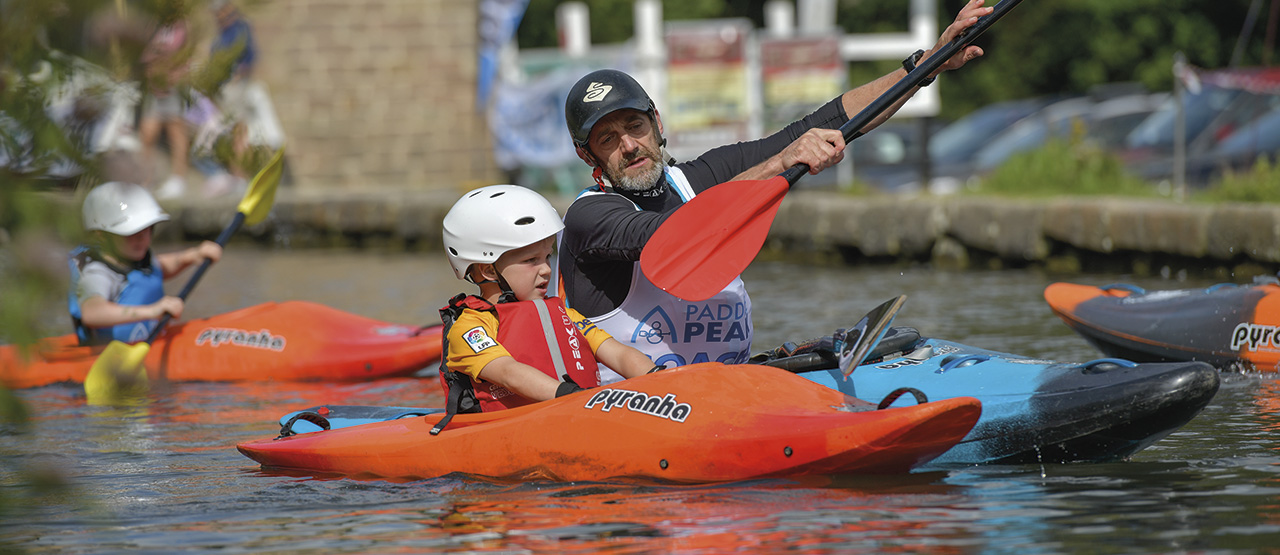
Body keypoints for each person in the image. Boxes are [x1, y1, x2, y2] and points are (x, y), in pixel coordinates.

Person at [557, 0, 994, 382]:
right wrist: (780, 164)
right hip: (640, 410)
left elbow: (821, 123)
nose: (629, 145)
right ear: (586, 155)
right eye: (608, 139)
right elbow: (673, 236)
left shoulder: (704, 176)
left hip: (736, 391)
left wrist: (926, 65)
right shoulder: (589, 219)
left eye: (635, 126)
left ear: (657, 124)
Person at [436, 185, 657, 425]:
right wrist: (573, 397)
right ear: (489, 270)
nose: (546, 270)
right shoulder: (470, 329)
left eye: (547, 257)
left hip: (578, 414)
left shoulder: (566, 315)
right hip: (511, 432)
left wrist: (658, 378)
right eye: (531, 260)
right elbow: (508, 373)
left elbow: (618, 353)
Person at [69, 181, 223, 346]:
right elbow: (92, 312)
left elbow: (159, 268)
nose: (143, 238)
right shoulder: (97, 274)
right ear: (101, 235)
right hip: (109, 355)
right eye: (132, 232)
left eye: (147, 229)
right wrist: (152, 311)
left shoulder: (136, 260)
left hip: (149, 342)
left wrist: (192, 256)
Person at [138, 3, 194, 199]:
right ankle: (146, 180)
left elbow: (178, 51)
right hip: (155, 87)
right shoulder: (153, 24)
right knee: (147, 133)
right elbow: (145, 51)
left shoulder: (180, 25)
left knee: (176, 130)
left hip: (172, 86)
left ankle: (179, 179)